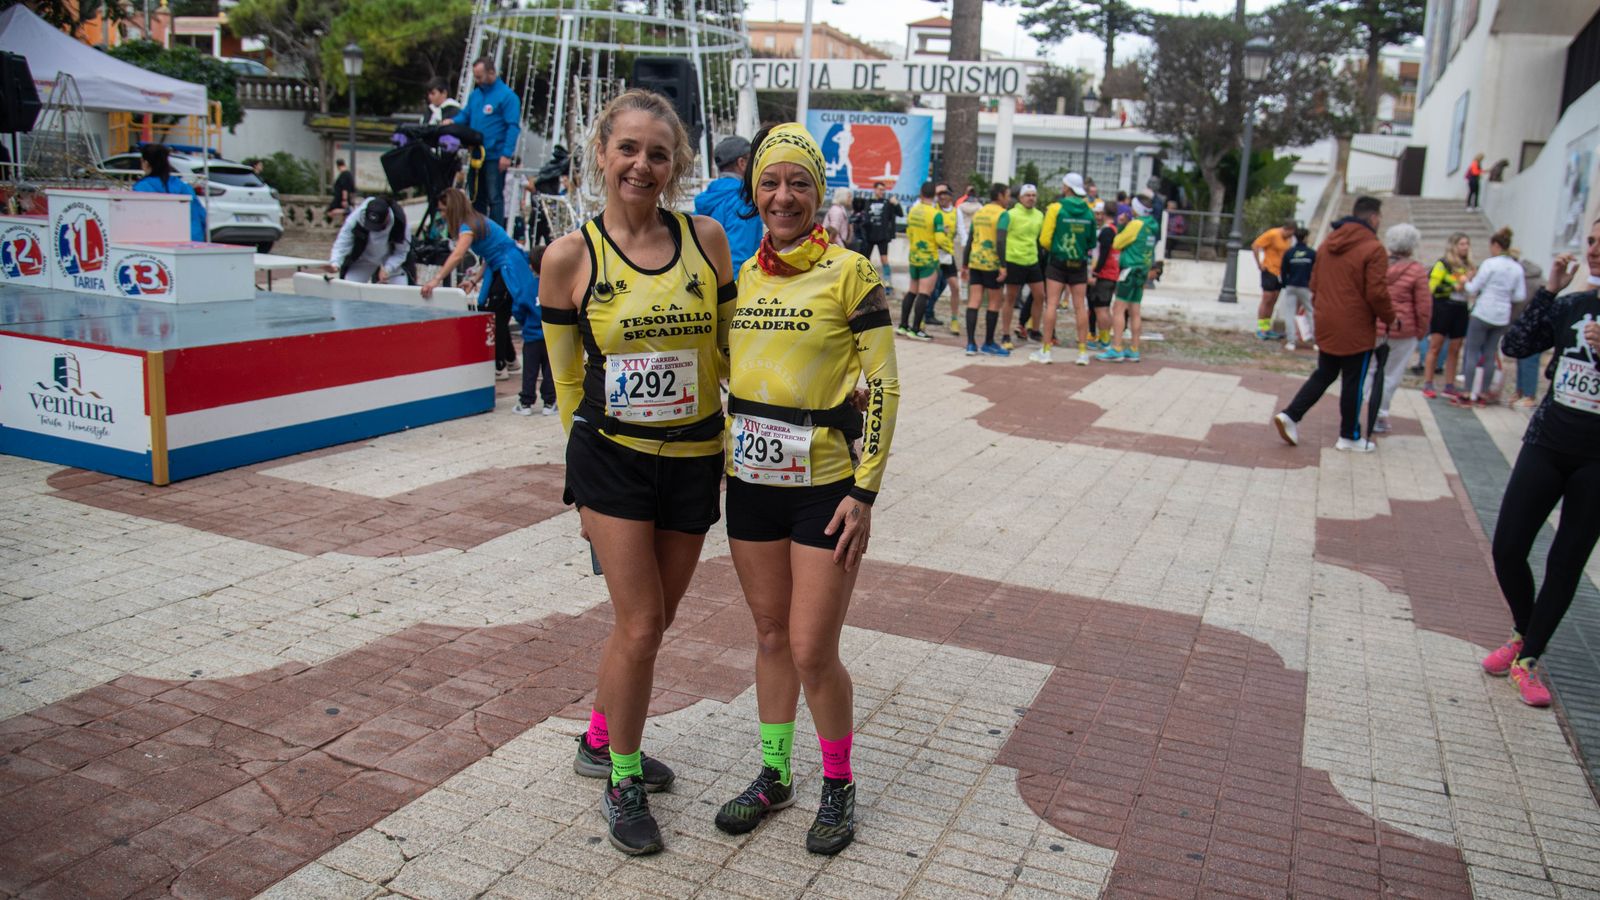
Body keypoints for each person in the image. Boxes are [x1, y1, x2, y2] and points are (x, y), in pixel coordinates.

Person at [538, 89, 734, 856]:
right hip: (611, 463)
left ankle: (599, 736)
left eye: (658, 153)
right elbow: (565, 380)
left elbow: (729, 351)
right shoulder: (569, 257)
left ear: (676, 163)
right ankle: (621, 779)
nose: (641, 165)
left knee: (652, 623)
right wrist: (582, 484)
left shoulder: (706, 240)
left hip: (694, 460)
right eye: (628, 148)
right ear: (602, 153)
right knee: (642, 623)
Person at [714, 122, 898, 857]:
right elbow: (725, 364)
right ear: (754, 191)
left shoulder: (852, 273)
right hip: (750, 484)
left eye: (798, 183)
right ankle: (775, 774)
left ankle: (839, 785)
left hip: (826, 490)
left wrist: (866, 490)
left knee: (812, 648)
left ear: (818, 193)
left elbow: (884, 384)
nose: (783, 196)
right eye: (770, 182)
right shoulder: (742, 277)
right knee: (769, 637)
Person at [1481, 217, 1600, 707]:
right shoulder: (1573, 304)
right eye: (1592, 240)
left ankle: (1528, 659)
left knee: (1565, 562)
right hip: (1547, 443)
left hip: (1596, 462)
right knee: (1508, 547)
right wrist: (1550, 291)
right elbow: (1515, 345)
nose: (1594, 249)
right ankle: (1523, 631)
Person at [1272, 196, 1394, 452]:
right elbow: (1377, 293)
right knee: (1353, 381)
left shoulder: (1328, 243)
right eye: (1380, 218)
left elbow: (1315, 283)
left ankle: (1291, 415)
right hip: (1356, 326)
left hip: (1327, 320)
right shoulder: (1373, 248)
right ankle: (1349, 435)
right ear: (1373, 218)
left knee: (1325, 373)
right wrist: (1391, 317)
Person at [422, 188, 533, 380]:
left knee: (494, 316)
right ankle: (510, 360)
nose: (442, 214)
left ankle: (499, 365)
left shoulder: (468, 226)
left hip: (508, 268)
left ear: (452, 208)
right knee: (495, 313)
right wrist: (474, 280)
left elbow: (458, 255)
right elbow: (489, 256)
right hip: (502, 266)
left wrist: (436, 279)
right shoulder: (476, 221)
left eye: (443, 210)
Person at [1366, 223, 1431, 433]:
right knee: (1391, 374)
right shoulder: (1416, 270)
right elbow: (1423, 305)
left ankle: (1359, 408)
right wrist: (1421, 330)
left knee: (1369, 370)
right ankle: (1380, 415)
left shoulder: (1378, 265)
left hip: (1374, 325)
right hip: (1403, 329)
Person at [1455, 226, 1526, 407]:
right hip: (1502, 315)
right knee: (1490, 353)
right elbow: (1519, 296)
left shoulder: (1490, 264)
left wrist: (1465, 281)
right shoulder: (1516, 268)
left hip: (1483, 311)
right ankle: (1483, 393)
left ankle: (1467, 391)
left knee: (1472, 351)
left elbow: (1473, 288)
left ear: (1496, 245)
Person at [449, 56, 522, 227]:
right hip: (476, 155)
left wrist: (506, 154)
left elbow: (513, 127)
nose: (477, 80)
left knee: (494, 197)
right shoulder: (476, 95)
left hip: (495, 156)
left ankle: (496, 231)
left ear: (491, 73)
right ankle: (478, 229)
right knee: (476, 195)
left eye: (480, 76)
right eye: (475, 77)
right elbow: (465, 115)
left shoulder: (507, 96)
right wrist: (452, 123)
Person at [1036, 173, 1097, 365]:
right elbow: (1091, 241)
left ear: (1066, 188)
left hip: (1058, 261)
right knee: (1080, 306)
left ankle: (1046, 350)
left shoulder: (1056, 208)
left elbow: (1044, 239)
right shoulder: (1089, 211)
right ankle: (1082, 353)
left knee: (1052, 304)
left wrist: (1056, 248)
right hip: (1079, 262)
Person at [1097, 195, 1160, 363]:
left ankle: (1116, 347)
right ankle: (1134, 348)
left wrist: (1121, 225)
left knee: (1118, 309)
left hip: (1130, 269)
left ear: (1137, 209)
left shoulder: (1136, 224)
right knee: (1135, 310)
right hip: (1142, 270)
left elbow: (1117, 243)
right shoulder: (1152, 225)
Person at [694, 135, 761, 275]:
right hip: (734, 283)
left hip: (704, 279)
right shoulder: (744, 199)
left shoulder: (707, 198)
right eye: (754, 161)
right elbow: (739, 256)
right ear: (742, 163)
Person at [897, 181, 950, 340]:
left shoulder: (913, 211)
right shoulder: (936, 214)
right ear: (934, 195)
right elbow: (939, 239)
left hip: (914, 255)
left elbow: (909, 232)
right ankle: (916, 329)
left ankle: (903, 325)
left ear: (921, 193)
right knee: (924, 293)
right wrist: (948, 241)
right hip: (929, 258)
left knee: (912, 291)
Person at [1423, 234, 1474, 398]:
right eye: (1462, 244)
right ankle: (1428, 383)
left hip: (1461, 308)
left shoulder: (1469, 266)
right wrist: (1456, 284)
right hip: (1443, 307)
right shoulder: (1443, 264)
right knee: (1435, 346)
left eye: (1467, 244)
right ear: (1454, 246)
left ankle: (1450, 384)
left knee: (1455, 347)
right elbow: (1432, 287)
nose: (1465, 247)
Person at [962, 183, 1010, 356]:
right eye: (1007, 195)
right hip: (992, 263)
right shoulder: (1002, 214)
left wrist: (965, 264)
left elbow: (970, 240)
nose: (1009, 199)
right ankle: (988, 343)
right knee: (994, 302)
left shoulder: (979, 212)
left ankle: (970, 344)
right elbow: (1000, 240)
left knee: (974, 301)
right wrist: (1003, 266)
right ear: (1000, 195)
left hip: (975, 261)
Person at [996, 183, 1045, 353]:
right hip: (1014, 260)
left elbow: (1041, 238)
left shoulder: (1039, 215)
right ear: (1020, 198)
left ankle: (1034, 330)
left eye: (1033, 195)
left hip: (1032, 260)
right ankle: (1005, 334)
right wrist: (1002, 263)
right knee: (1010, 298)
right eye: (1028, 195)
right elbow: (1001, 238)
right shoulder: (1010, 214)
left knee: (1040, 295)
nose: (1031, 198)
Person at [511, 246, 556, 416]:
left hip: (531, 338)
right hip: (552, 337)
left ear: (531, 266)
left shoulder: (528, 287)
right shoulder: (556, 286)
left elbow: (518, 310)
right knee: (550, 371)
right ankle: (549, 402)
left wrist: (526, 324)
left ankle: (526, 403)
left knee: (529, 372)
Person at [327, 195, 411, 285]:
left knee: (400, 288)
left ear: (387, 217)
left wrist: (388, 268)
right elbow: (342, 242)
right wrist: (335, 263)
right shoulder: (356, 217)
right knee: (349, 284)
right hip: (365, 259)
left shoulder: (400, 223)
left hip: (391, 258)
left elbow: (401, 252)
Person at [131, 144, 207, 242]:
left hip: (155, 242)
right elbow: (201, 215)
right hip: (190, 239)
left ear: (146, 163)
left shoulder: (141, 188)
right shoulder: (183, 187)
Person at [1509, 251, 1546, 409]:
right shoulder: (1537, 278)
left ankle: (1528, 395)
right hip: (1534, 323)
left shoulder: (1522, 279)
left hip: (1531, 324)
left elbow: (1519, 303)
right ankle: (1521, 392)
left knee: (1528, 359)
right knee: (1523, 358)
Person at [1251, 220, 1296, 340]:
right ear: (1287, 229)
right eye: (1290, 233)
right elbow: (1255, 245)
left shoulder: (1289, 240)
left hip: (1280, 273)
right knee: (1267, 297)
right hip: (1269, 269)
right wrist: (1259, 263)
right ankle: (1260, 328)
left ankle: (1267, 327)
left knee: (1274, 299)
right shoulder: (1272, 234)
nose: (1291, 236)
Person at [931, 183, 964, 332]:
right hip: (934, 252)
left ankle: (954, 320)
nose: (942, 197)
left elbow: (962, 231)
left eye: (945, 194)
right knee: (929, 287)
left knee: (954, 287)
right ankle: (923, 317)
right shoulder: (933, 209)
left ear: (951, 197)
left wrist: (966, 247)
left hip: (947, 253)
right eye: (940, 194)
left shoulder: (956, 212)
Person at [1086, 203, 1120, 346]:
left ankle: (1104, 339)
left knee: (1101, 309)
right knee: (1104, 308)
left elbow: (1104, 254)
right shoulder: (1114, 229)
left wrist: (1095, 272)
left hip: (1105, 274)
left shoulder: (1107, 231)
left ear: (1104, 213)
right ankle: (1104, 337)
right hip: (1111, 273)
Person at [1278, 227, 1316, 351]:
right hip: (1306, 287)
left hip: (1291, 286)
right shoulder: (1311, 253)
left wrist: (1285, 284)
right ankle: (1316, 341)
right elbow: (1316, 270)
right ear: (1305, 238)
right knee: (1311, 312)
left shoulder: (1289, 253)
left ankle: (1291, 341)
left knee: (1289, 313)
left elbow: (1283, 271)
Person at [862, 182, 901, 282]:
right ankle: (866, 280)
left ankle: (888, 282)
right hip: (869, 235)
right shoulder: (868, 202)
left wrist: (896, 203)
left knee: (884, 260)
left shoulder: (887, 203)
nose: (881, 192)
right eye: (880, 189)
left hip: (882, 236)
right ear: (875, 189)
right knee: (865, 260)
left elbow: (900, 213)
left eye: (883, 190)